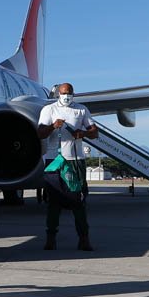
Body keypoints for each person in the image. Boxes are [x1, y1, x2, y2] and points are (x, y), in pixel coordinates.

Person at [36, 82, 99, 251]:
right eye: (63, 93)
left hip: (75, 161)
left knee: (78, 201)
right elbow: (40, 133)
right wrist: (52, 126)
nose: (66, 96)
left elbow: (95, 132)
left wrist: (83, 133)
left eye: (69, 93)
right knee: (53, 201)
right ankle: (51, 238)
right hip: (54, 161)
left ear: (73, 94)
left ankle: (84, 238)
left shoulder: (81, 109)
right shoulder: (48, 110)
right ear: (57, 94)